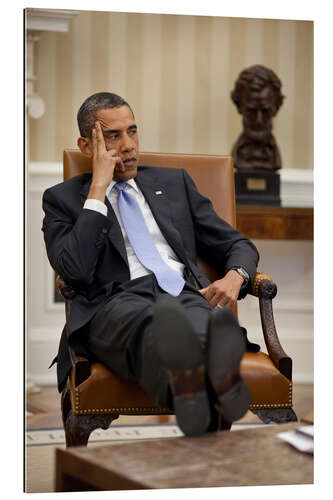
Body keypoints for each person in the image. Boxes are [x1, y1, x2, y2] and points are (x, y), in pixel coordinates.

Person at [42, 92, 259, 437]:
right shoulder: (62, 200)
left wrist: (237, 275)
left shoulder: (173, 184)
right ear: (87, 146)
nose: (128, 145)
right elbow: (76, 270)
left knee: (195, 325)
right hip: (114, 304)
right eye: (113, 136)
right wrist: (99, 188)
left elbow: (235, 243)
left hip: (183, 293)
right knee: (158, 327)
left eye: (132, 131)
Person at [231, 65, 284, 172]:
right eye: (251, 111)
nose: (259, 120)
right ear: (239, 107)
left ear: (276, 108)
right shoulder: (237, 155)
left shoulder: (273, 156)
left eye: (265, 111)